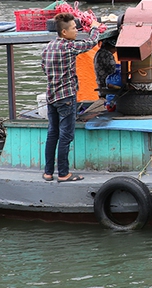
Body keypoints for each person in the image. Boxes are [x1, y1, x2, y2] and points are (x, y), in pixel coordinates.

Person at [41, 13, 100, 182]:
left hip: (51, 96)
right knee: (66, 136)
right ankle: (63, 173)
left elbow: (44, 70)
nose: (76, 30)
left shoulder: (47, 48)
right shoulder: (69, 46)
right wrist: (95, 27)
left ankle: (48, 172)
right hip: (66, 97)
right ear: (65, 32)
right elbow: (91, 42)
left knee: (52, 134)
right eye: (74, 28)